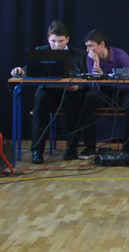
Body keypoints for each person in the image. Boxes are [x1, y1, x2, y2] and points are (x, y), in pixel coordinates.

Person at [10, 20, 86, 163]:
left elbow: (87, 78)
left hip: (70, 92)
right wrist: (21, 70)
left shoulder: (79, 54)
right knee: (41, 101)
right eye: (53, 41)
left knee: (75, 102)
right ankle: (37, 151)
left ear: (67, 39)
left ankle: (71, 149)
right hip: (48, 91)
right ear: (48, 39)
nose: (57, 45)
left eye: (60, 41)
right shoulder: (41, 51)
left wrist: (78, 87)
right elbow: (30, 68)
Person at [80, 29, 129, 164]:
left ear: (101, 44)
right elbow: (94, 88)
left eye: (90, 46)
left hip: (123, 92)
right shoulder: (90, 59)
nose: (87, 50)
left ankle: (128, 148)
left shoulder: (120, 55)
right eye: (86, 46)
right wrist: (96, 65)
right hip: (104, 93)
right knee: (89, 97)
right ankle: (90, 147)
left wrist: (109, 80)